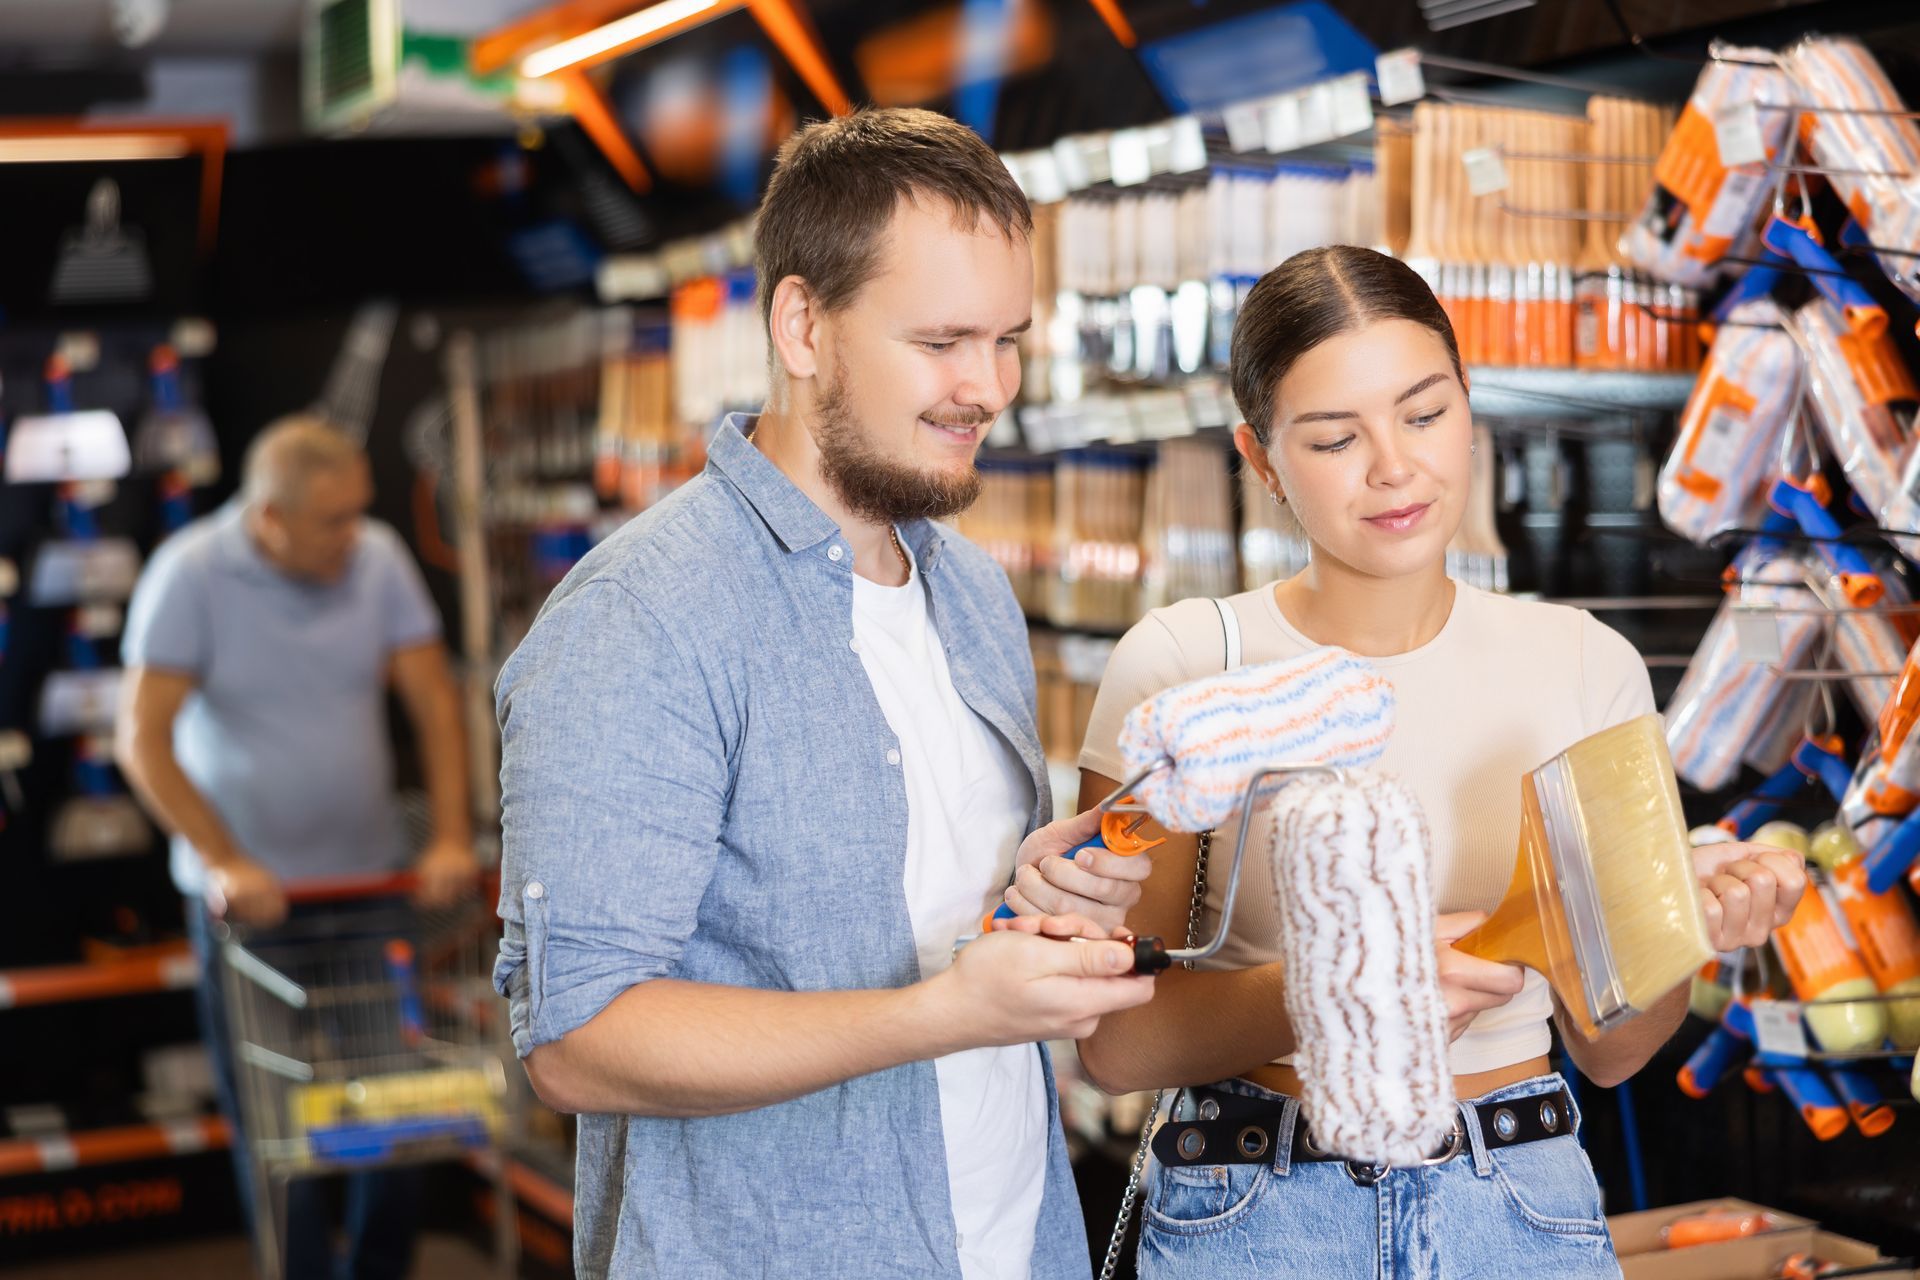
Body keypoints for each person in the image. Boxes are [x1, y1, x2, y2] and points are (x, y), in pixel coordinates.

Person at [1002, 245, 1808, 1279]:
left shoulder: (1582, 663)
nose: (1394, 466)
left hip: (1517, 1199)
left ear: (1468, 405)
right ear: (1261, 458)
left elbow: (1609, 1047)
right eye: (1336, 437)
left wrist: (1696, 926)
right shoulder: (1190, 660)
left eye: (1425, 414)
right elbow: (1117, 1047)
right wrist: (1353, 981)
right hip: (1260, 1205)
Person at [490, 106, 1152, 1280]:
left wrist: (1041, 891)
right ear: (803, 324)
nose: (988, 386)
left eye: (1009, 338)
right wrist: (942, 1010)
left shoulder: (975, 595)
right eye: (943, 339)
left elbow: (922, 903)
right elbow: (579, 1040)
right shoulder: (643, 619)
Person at [117, 415, 477, 1280]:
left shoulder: (379, 558)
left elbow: (433, 700)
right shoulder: (191, 574)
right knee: (277, 1128)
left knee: (394, 1111)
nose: (355, 534)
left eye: (360, 512)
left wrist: (454, 834)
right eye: (333, 521)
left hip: (367, 889)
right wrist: (222, 858)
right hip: (253, 910)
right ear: (270, 518)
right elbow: (142, 740)